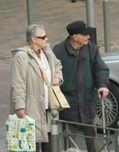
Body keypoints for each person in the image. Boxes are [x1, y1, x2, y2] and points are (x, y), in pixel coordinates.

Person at [52, 20, 110, 152]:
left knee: (93, 140)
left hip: (88, 102)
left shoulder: (91, 48)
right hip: (68, 104)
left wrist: (102, 85)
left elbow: (101, 69)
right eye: (85, 35)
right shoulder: (58, 51)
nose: (89, 37)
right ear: (75, 37)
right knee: (69, 142)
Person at [10, 24, 63, 152]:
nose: (46, 39)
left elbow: (58, 65)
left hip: (48, 106)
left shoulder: (47, 52)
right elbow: (18, 83)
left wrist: (58, 77)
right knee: (29, 144)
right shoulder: (21, 57)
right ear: (34, 39)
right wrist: (20, 107)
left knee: (49, 142)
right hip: (31, 106)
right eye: (43, 37)